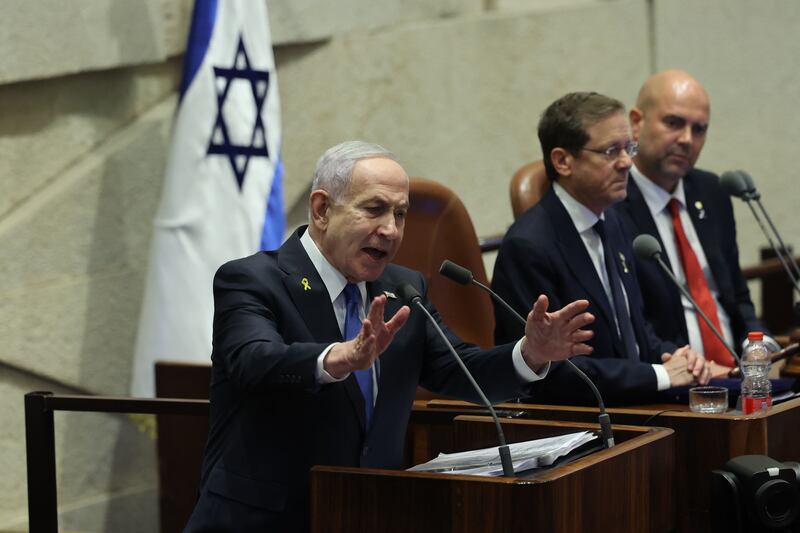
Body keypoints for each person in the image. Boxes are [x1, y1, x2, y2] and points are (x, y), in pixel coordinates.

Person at [184, 141, 595, 532]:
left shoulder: (403, 288)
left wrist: (530, 353)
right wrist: (335, 359)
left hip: (368, 513)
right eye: (375, 209)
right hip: (265, 521)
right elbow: (252, 359)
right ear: (322, 209)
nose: (391, 230)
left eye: (400, 214)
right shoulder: (252, 279)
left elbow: (459, 368)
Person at [492, 92, 710, 405]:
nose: (626, 163)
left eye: (628, 148)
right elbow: (552, 370)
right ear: (563, 161)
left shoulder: (613, 221)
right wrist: (660, 375)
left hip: (633, 408)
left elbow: (633, 330)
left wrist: (673, 357)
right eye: (611, 151)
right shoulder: (528, 246)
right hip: (575, 424)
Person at [616, 69, 775, 377]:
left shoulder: (711, 191)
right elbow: (632, 323)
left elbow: (736, 295)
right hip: (676, 382)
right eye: (674, 123)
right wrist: (694, 367)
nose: (687, 139)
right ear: (637, 122)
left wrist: (760, 344)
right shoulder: (613, 207)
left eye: (699, 129)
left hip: (739, 377)